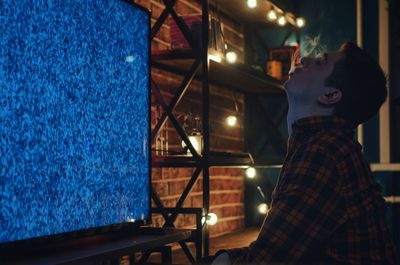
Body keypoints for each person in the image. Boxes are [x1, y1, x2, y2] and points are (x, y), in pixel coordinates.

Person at [207, 42, 399, 264]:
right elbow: (279, 249)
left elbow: (266, 260)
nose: (305, 59)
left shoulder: (324, 153)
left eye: (320, 62)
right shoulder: (324, 145)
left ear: (330, 95)